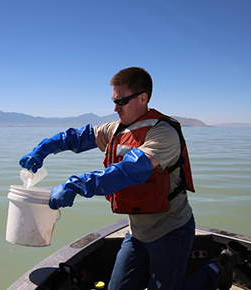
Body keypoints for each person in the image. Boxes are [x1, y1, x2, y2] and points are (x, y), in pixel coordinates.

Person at [19, 67, 235, 290]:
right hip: (137, 231)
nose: (115, 108)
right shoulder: (115, 129)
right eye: (114, 101)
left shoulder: (164, 133)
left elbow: (129, 171)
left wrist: (76, 185)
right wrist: (44, 148)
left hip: (171, 229)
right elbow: (77, 137)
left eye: (121, 101)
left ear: (143, 98)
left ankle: (217, 269)